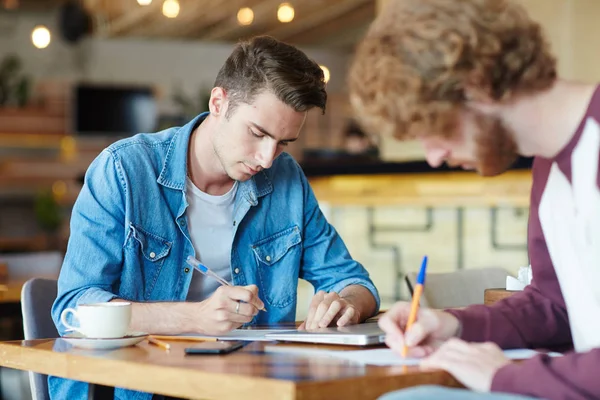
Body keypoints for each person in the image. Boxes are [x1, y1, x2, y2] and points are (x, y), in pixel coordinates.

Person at [51, 35, 379, 400]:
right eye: (258, 133)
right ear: (219, 102)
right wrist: (194, 318)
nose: (268, 158)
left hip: (248, 386)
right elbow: (73, 309)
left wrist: (346, 304)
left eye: (284, 143)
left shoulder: (286, 180)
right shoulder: (124, 171)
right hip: (139, 388)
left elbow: (353, 281)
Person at [348, 0, 600, 399]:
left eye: (431, 127)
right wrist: (454, 325)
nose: (433, 156)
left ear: (476, 86)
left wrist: (507, 377)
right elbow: (555, 307)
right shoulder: (548, 168)